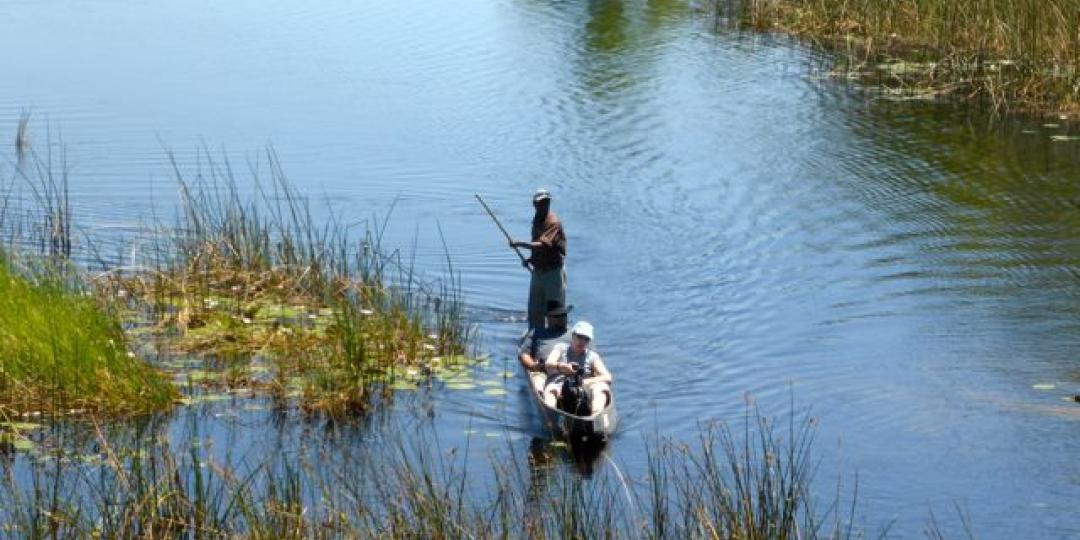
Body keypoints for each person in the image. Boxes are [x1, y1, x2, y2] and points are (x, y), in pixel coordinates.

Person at [510, 189, 567, 330]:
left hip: (553, 272)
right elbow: (537, 246)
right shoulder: (537, 219)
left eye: (545, 202)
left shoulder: (553, 222)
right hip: (538, 271)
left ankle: (555, 336)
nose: (542, 205)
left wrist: (520, 244)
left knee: (554, 310)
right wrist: (530, 259)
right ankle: (534, 339)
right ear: (534, 205)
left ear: (549, 203)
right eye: (539, 203)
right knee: (534, 310)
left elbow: (543, 245)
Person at [543, 321, 612, 415]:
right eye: (579, 337)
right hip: (559, 384)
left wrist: (585, 382)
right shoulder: (561, 348)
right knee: (551, 390)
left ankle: (596, 417)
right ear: (573, 336)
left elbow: (607, 377)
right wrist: (561, 367)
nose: (582, 341)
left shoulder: (592, 356)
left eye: (586, 339)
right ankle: (551, 415)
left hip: (583, 388)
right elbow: (548, 363)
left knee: (601, 388)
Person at [518, 301, 572, 396]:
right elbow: (524, 354)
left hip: (570, 372)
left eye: (563, 315)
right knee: (538, 382)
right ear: (548, 317)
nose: (561, 319)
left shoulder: (576, 334)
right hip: (543, 372)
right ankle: (542, 397)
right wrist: (533, 366)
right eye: (556, 316)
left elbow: (592, 355)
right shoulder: (537, 333)